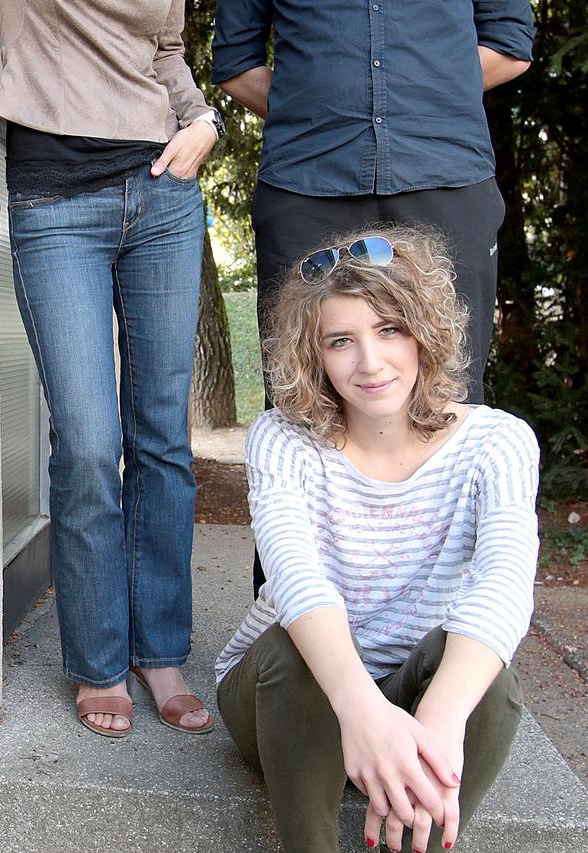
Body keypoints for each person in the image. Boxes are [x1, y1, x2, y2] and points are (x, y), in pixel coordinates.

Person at [215, 226, 539, 853]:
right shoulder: (284, 440)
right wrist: (361, 713)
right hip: (284, 695)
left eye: (389, 330)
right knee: (292, 646)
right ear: (315, 356)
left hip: (412, 691)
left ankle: (415, 834)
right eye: (341, 341)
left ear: (425, 330)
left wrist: (440, 723)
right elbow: (294, 578)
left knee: (492, 690)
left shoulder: (497, 444)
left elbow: (504, 579)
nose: (370, 362)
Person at [212, 0, 535, 594]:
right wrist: (319, 113)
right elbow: (235, 63)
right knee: (303, 402)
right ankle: (298, 626)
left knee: (448, 397)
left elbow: (511, 44)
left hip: (446, 177)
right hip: (307, 183)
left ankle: (451, 629)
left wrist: (423, 101)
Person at [0, 0, 225, 737]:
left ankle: (159, 651)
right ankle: (99, 659)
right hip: (54, 199)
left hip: (163, 194)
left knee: (161, 435)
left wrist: (204, 123)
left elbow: (164, 49)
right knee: (90, 443)